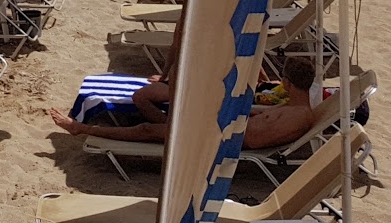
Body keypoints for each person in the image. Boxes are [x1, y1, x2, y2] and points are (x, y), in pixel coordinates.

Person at [50, 58, 320, 151]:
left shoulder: (298, 117)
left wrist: (226, 124)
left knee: (146, 131)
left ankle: (81, 129)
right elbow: (258, 122)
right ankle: (165, 98)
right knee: (177, 103)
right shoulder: (298, 111)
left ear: (286, 82)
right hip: (224, 126)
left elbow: (256, 140)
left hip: (222, 138)